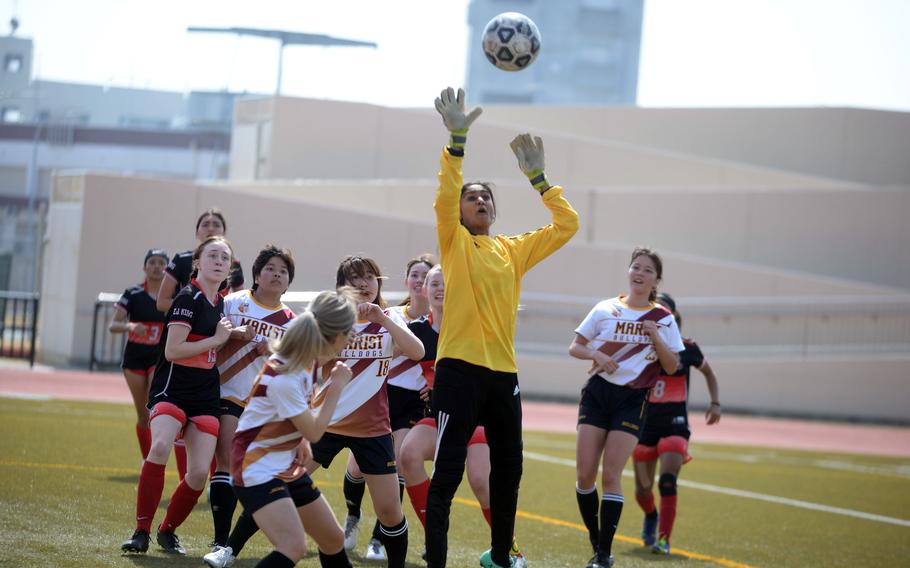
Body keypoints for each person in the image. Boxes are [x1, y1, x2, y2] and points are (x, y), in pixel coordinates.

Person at [426, 87, 579, 568]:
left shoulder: (512, 249)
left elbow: (567, 224)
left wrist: (539, 178)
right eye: (472, 197)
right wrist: (456, 140)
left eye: (486, 197)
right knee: (448, 472)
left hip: (502, 376)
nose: (479, 201)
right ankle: (435, 560)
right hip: (458, 371)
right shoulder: (453, 242)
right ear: (460, 211)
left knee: (509, 470)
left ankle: (498, 556)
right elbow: (446, 193)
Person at [399, 265, 527, 567]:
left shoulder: (477, 327)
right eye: (434, 283)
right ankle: (435, 536)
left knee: (482, 481)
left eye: (448, 282)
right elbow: (384, 360)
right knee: (409, 454)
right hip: (441, 418)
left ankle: (511, 550)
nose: (440, 288)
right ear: (423, 290)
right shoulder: (415, 332)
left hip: (478, 418)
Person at [301, 255, 424, 568]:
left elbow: (417, 352)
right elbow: (311, 357)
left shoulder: (389, 318)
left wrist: (382, 320)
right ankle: (229, 547)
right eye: (354, 279)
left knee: (389, 511)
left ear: (378, 282)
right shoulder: (329, 318)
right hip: (326, 422)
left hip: (372, 428)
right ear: (342, 286)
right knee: (284, 480)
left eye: (368, 277)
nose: (362, 284)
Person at [568, 248, 684, 568]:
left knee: (611, 475)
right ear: (628, 272)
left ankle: (604, 553)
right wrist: (597, 355)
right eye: (636, 267)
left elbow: (673, 366)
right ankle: (596, 539)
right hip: (598, 394)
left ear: (656, 280)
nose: (640, 273)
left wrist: (656, 338)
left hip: (633, 400)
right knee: (584, 474)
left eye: (648, 270)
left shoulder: (663, 318)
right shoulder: (605, 308)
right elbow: (575, 346)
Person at [121, 235, 235, 556]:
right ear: (197, 263)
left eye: (224, 258)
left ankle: (166, 530)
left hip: (205, 397)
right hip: (172, 390)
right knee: (159, 446)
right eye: (212, 255)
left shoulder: (221, 303)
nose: (218, 261)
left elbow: (223, 340)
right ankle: (141, 530)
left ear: (229, 268)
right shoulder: (187, 297)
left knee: (199, 474)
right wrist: (216, 340)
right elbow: (173, 350)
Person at [230, 289, 359, 568]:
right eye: (348, 331)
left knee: (333, 539)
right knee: (292, 547)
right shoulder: (286, 375)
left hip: (284, 462)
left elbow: (289, 417)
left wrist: (297, 440)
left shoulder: (308, 358)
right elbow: (314, 432)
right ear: (333, 334)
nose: (351, 337)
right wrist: (336, 387)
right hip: (256, 468)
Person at [341, 253, 435, 560]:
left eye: (427, 276)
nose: (421, 281)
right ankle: (352, 515)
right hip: (381, 395)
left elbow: (437, 357)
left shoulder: (441, 318)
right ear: (406, 281)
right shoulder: (389, 313)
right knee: (356, 469)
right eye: (415, 276)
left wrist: (433, 383)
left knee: (398, 465)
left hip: (412, 406)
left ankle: (379, 539)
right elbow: (379, 356)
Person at [208, 245, 297, 554]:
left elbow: (295, 368)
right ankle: (221, 541)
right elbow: (207, 335)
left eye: (283, 271)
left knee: (252, 471)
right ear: (257, 274)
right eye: (270, 268)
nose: (276, 274)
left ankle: (230, 542)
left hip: (262, 406)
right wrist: (233, 334)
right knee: (226, 461)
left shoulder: (292, 323)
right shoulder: (232, 302)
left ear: (288, 282)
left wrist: (275, 350)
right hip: (225, 392)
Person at [156, 208, 243, 480]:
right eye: (205, 224)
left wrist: (236, 332)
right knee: (170, 424)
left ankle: (194, 481)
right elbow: (162, 303)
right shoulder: (184, 266)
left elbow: (236, 309)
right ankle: (181, 477)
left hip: (211, 359)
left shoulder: (230, 271)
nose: (210, 227)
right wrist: (197, 316)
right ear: (197, 233)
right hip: (185, 343)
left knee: (202, 433)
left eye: (216, 223)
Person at [632, 292, 721, 555]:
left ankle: (663, 539)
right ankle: (651, 515)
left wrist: (715, 402)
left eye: (664, 311)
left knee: (667, 481)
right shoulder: (638, 347)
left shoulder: (687, 348)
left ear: (674, 317)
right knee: (642, 491)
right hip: (644, 425)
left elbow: (709, 372)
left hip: (675, 425)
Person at [109, 248, 169, 461]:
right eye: (152, 262)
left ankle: (155, 458)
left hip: (158, 358)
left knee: (153, 409)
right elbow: (114, 324)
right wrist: (131, 326)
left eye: (161, 263)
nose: (156, 266)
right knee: (143, 416)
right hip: (134, 357)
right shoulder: (132, 293)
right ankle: (146, 460)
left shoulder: (172, 296)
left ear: (168, 269)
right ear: (144, 267)